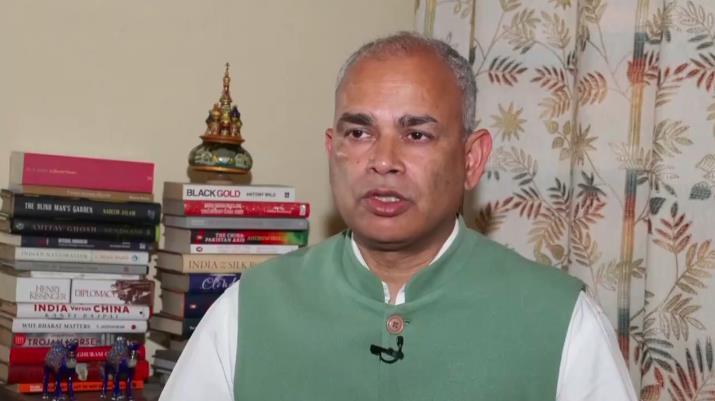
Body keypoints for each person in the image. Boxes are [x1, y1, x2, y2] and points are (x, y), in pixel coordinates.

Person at [158, 32, 637, 401]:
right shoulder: (249, 310)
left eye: (417, 135)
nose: (383, 161)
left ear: (471, 159)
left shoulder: (560, 321)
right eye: (359, 133)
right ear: (332, 150)